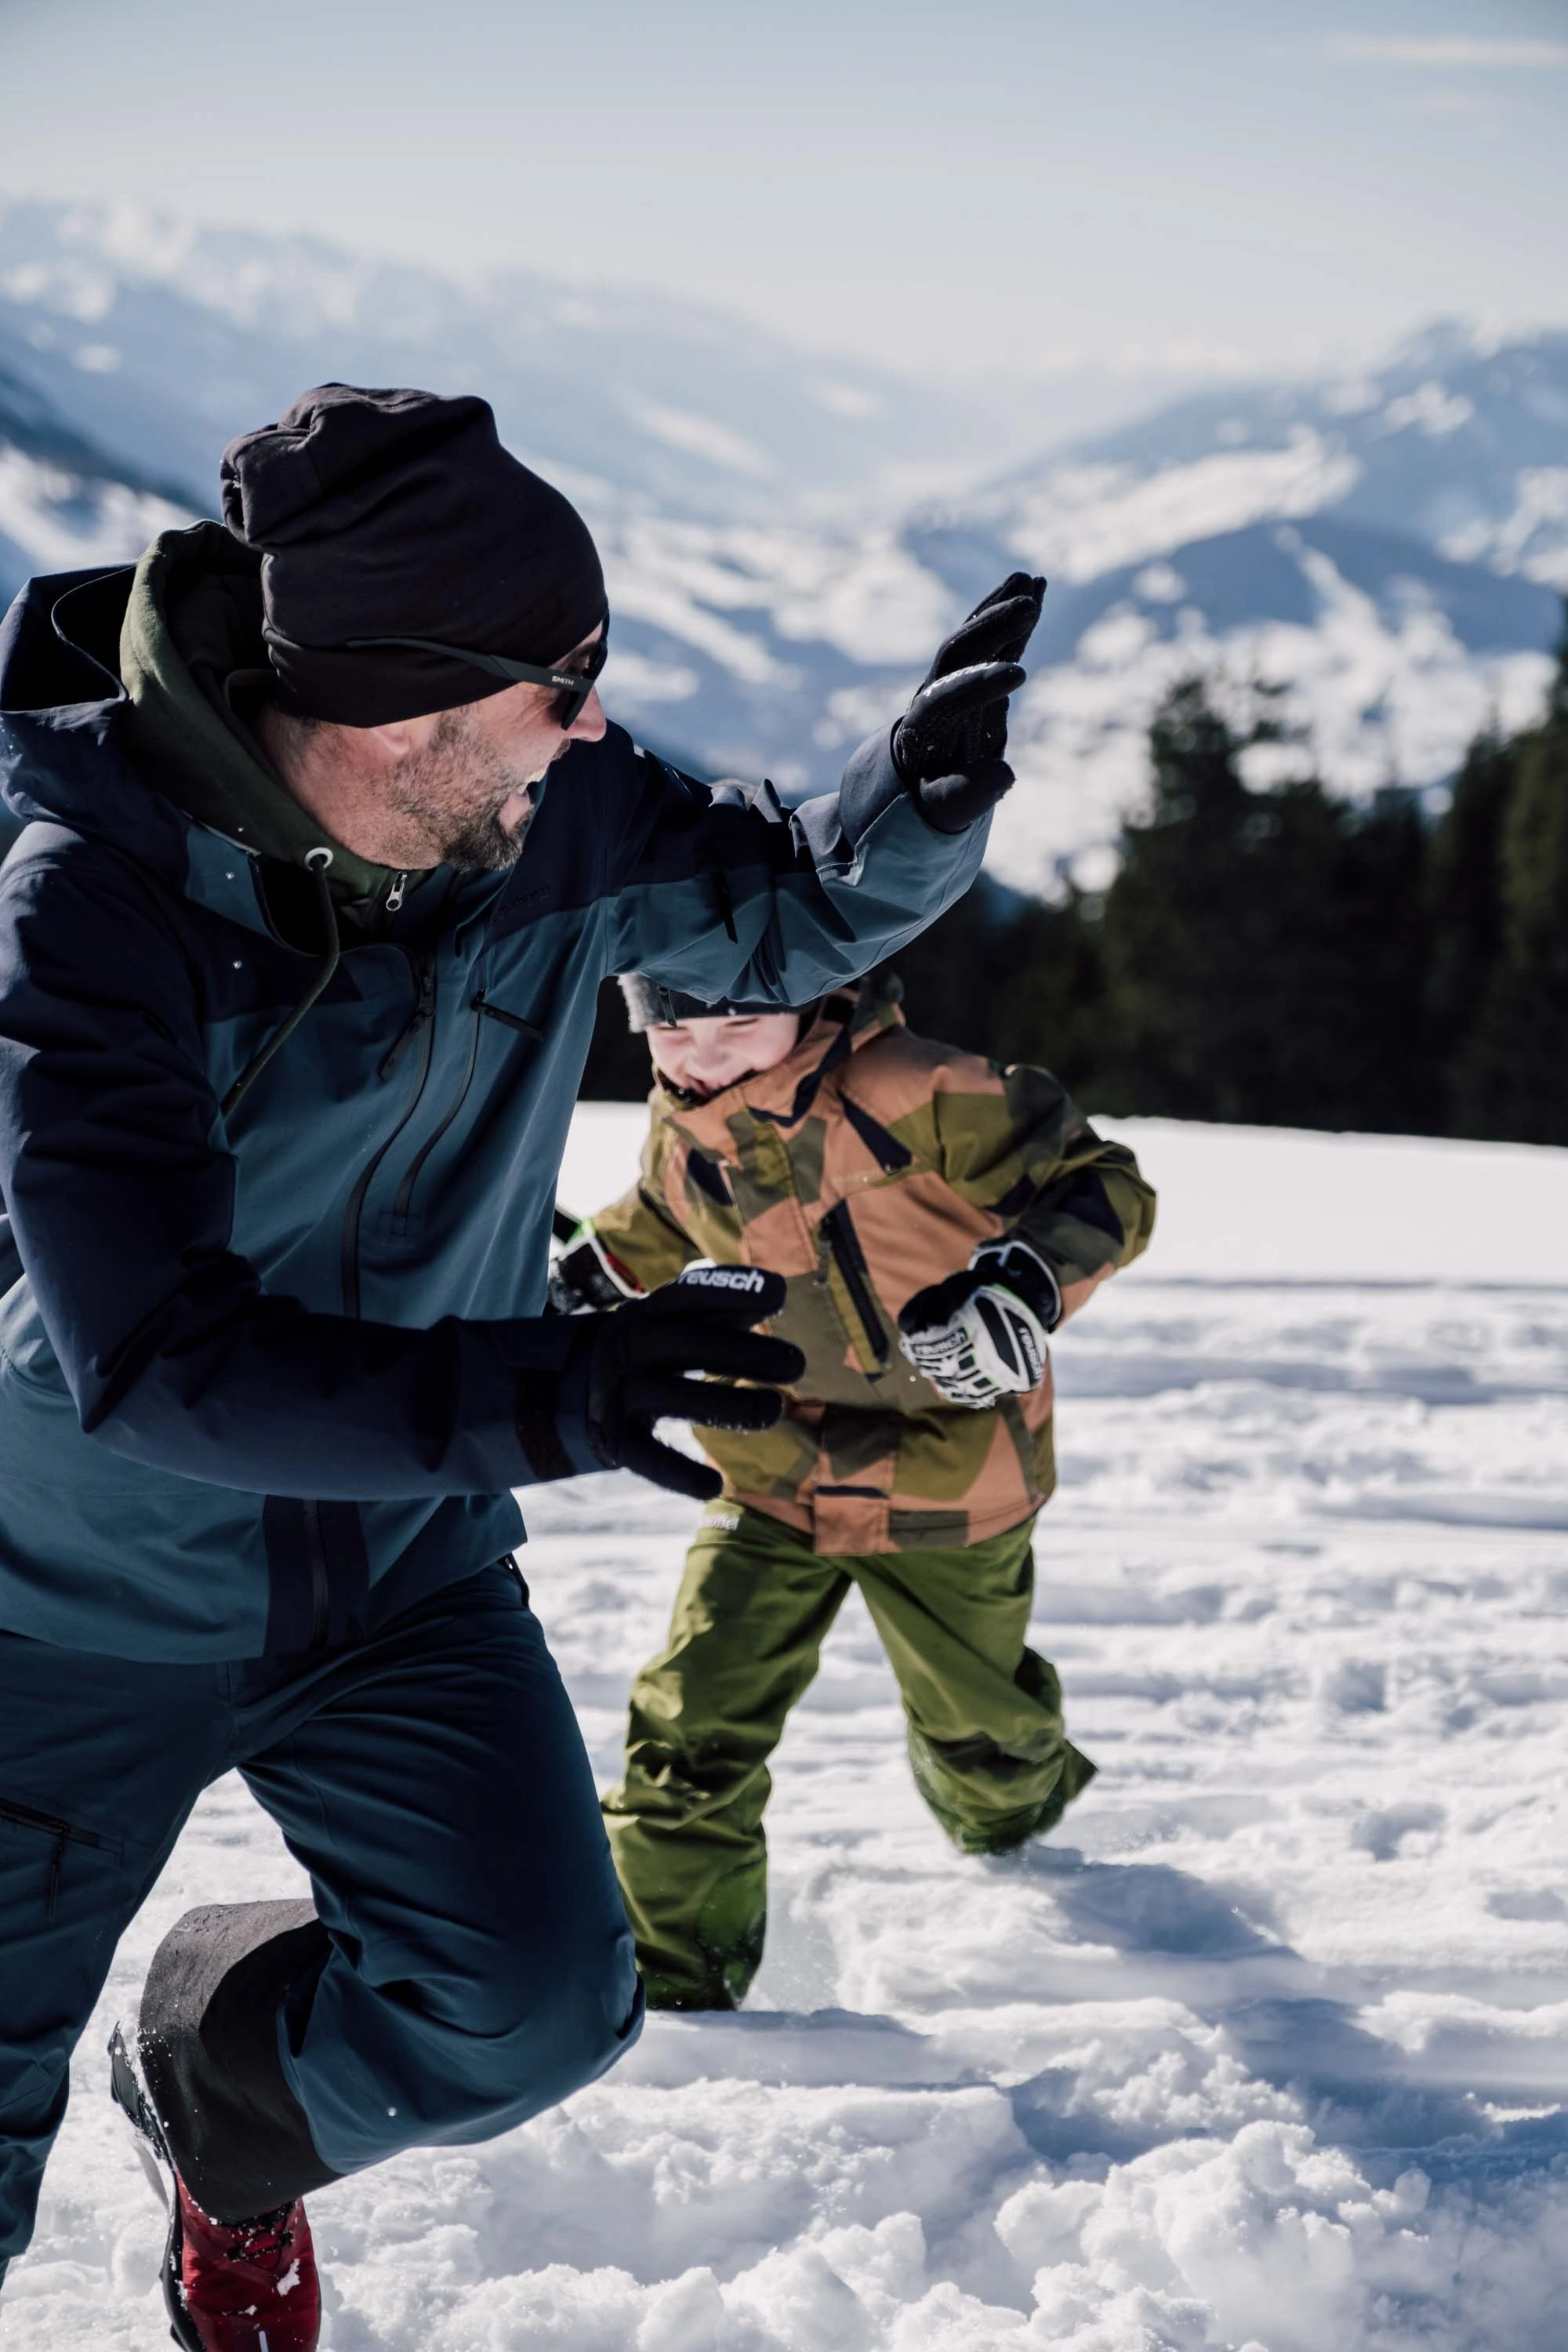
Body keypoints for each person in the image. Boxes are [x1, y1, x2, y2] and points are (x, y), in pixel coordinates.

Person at [0, 379, 1045, 2350]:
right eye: (558, 685)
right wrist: (547, 1393)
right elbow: (147, 1355)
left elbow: (782, 894)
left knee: (532, 2010)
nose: (591, 724)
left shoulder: (538, 817)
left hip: (396, 1578)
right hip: (62, 1597)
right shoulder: (90, 909)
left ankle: (224, 2105)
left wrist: (912, 793)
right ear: (399, 714)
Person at [550, 968, 1156, 2011]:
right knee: (688, 1730)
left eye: (740, 1018)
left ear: (818, 993)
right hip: (769, 1470)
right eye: (671, 1023)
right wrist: (598, 1271)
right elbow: (666, 1213)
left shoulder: (917, 1092)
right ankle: (679, 1991)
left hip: (952, 1479)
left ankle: (1014, 1831)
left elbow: (1103, 1183)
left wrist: (1022, 1279)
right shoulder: (684, 1122)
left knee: (988, 1740)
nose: (701, 1051)